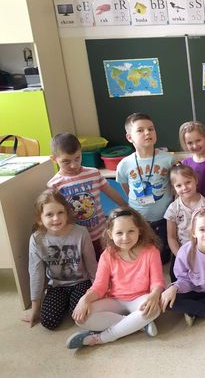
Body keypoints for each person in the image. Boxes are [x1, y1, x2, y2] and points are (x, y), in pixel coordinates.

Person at [66, 207, 165, 349]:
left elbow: (157, 281)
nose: (125, 237)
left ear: (139, 230)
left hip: (140, 299)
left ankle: (101, 338)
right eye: (119, 233)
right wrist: (84, 300)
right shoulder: (107, 255)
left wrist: (154, 296)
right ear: (110, 234)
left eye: (131, 231)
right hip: (115, 300)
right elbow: (99, 286)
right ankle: (137, 324)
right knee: (81, 319)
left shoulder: (151, 251)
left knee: (155, 309)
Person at [24, 190, 97, 330]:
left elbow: (92, 266)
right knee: (49, 322)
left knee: (83, 317)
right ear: (40, 218)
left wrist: (97, 293)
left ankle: (71, 304)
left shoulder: (81, 233)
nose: (56, 218)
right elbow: (36, 274)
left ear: (67, 213)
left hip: (81, 283)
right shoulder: (36, 239)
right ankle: (65, 303)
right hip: (57, 286)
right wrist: (35, 308)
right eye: (49, 214)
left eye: (60, 212)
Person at [47, 133, 126, 257]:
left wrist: (125, 206)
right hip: (75, 238)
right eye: (66, 161)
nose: (73, 165)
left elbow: (110, 191)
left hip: (101, 233)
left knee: (107, 261)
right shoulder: (54, 185)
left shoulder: (93, 173)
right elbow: (54, 213)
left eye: (77, 158)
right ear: (54, 159)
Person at [116, 113, 174, 264]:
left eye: (151, 129)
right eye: (140, 130)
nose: (147, 133)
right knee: (142, 256)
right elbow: (126, 187)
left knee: (162, 258)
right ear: (129, 137)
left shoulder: (169, 159)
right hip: (139, 219)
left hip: (164, 217)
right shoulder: (124, 164)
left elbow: (175, 185)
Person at [164, 164, 205, 280]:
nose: (184, 187)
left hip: (204, 251)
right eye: (179, 185)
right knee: (176, 277)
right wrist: (180, 256)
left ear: (196, 180)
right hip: (181, 252)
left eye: (188, 182)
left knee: (204, 278)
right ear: (174, 187)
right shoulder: (173, 208)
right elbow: (171, 237)